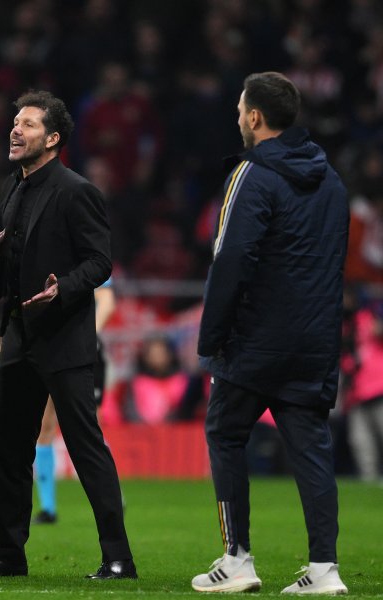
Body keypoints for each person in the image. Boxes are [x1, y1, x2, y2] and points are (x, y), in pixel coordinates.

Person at [0, 90, 135, 579]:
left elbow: (100, 262)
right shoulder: (11, 189)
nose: (15, 130)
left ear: (53, 139)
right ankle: (10, 554)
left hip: (65, 340)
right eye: (15, 122)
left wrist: (64, 290)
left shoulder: (77, 191)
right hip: (19, 337)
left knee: (85, 446)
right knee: (11, 451)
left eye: (29, 124)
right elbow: (14, 266)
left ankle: (118, 556)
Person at [191, 72, 349, 595]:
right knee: (310, 447)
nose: (238, 116)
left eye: (240, 109)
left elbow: (230, 258)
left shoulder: (251, 175)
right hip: (314, 341)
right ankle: (325, 570)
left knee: (226, 434)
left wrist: (211, 336)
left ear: (255, 117)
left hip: (255, 341)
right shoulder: (332, 181)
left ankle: (237, 559)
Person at [33, 280, 115, 524]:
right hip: (51, 348)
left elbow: (108, 303)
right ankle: (48, 508)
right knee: (44, 426)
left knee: (89, 425)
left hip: (84, 352)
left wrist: (83, 334)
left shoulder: (87, 256)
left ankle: (111, 495)